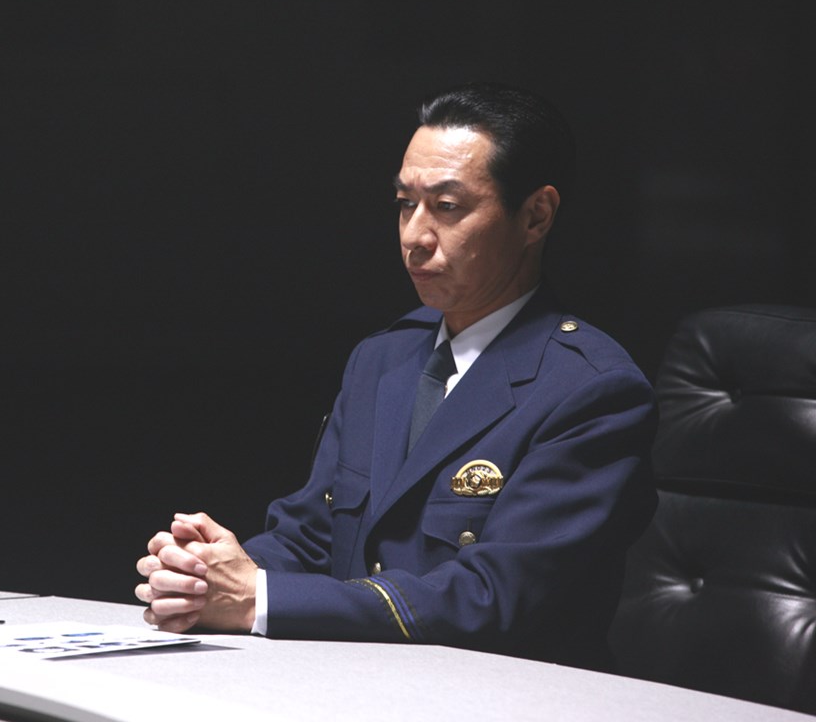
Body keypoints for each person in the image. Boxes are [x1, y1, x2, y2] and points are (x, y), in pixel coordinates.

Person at [134, 82, 657, 669]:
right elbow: (310, 536)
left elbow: (493, 596)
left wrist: (259, 598)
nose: (414, 236)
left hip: (500, 696)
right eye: (406, 203)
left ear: (535, 215)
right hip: (352, 681)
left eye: (448, 206)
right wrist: (206, 575)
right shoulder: (383, 358)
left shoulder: (590, 389)